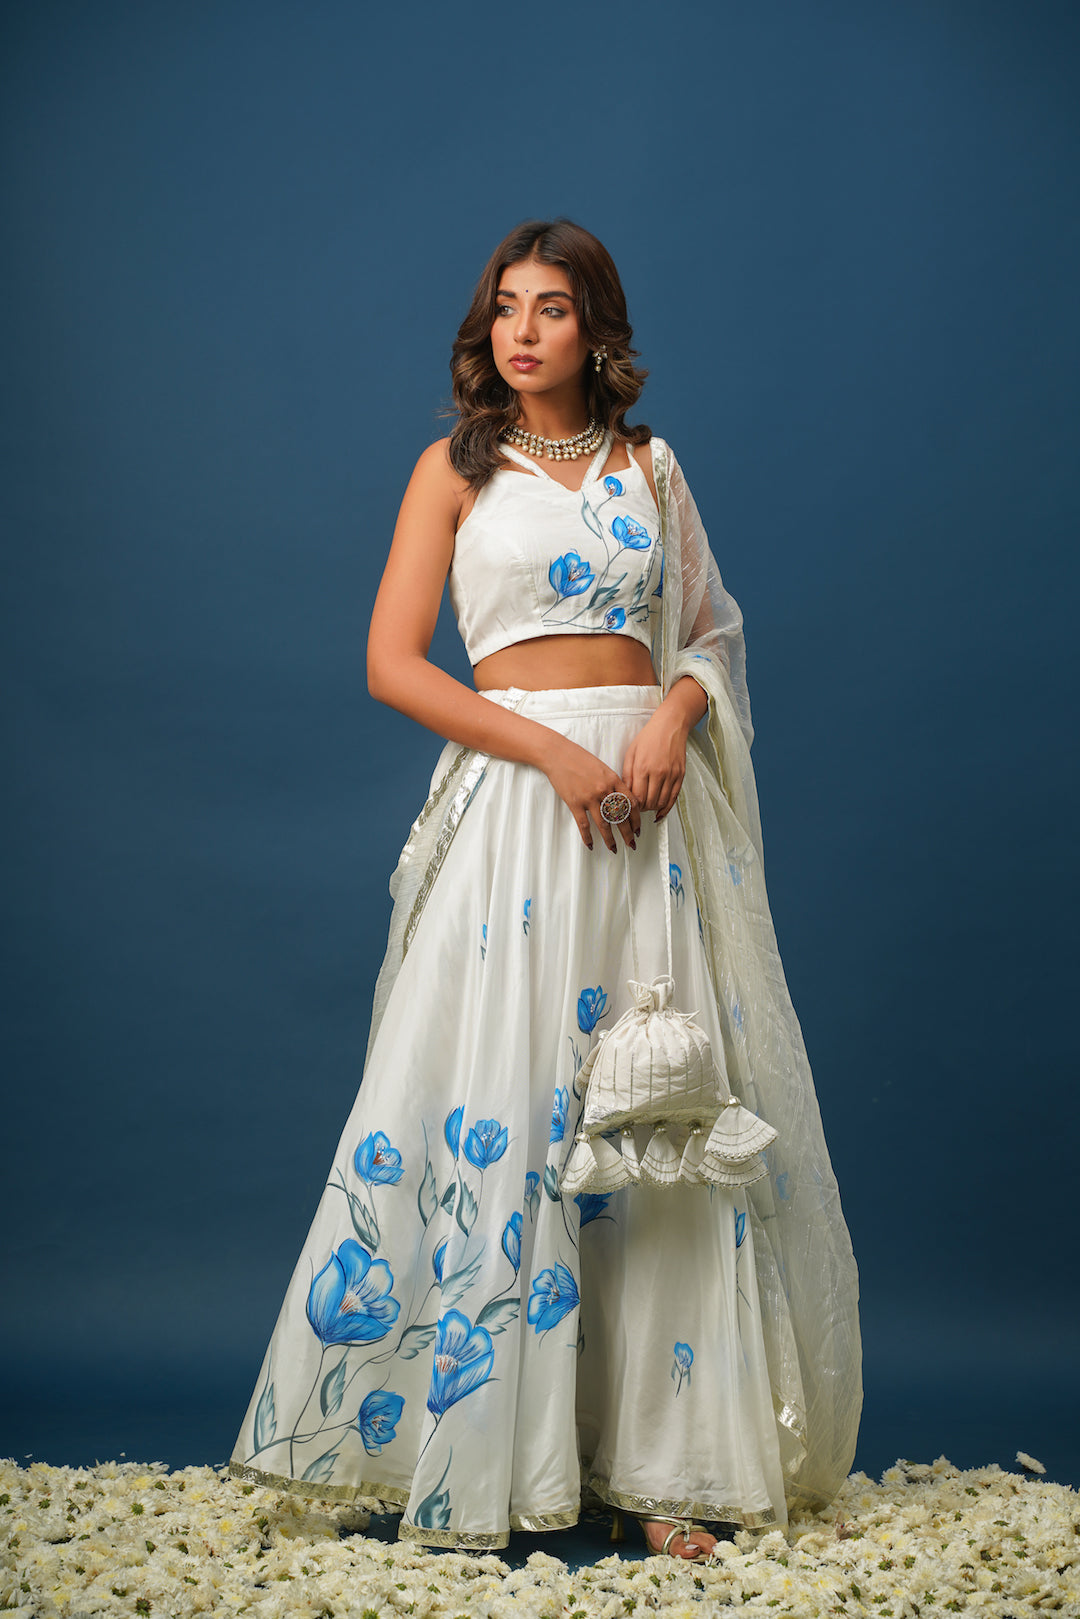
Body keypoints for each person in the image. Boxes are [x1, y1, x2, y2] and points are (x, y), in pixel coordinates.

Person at [228, 219, 862, 1559]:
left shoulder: (652, 468)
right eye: (505, 307)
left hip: (647, 817)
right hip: (524, 811)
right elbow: (396, 664)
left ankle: (667, 1473)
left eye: (553, 307)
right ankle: (466, 1452)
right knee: (499, 1113)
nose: (523, 330)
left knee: (663, 1115)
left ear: (597, 332)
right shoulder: (453, 472)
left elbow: (713, 629)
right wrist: (556, 755)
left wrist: (673, 713)